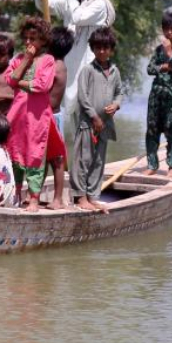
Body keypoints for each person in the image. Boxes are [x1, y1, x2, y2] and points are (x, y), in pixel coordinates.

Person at [34, 0, 115, 134]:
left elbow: (78, 17)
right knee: (68, 114)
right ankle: (67, 157)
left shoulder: (99, 4)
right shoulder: (71, 1)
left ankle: (89, 157)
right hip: (69, 65)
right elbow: (44, 4)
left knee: (88, 115)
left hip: (90, 66)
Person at [4, 17, 56, 212]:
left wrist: (21, 82)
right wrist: (25, 60)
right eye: (25, 38)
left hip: (37, 117)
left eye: (33, 38)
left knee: (35, 155)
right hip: (17, 116)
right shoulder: (19, 59)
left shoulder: (48, 60)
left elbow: (42, 85)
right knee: (14, 153)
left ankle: (34, 198)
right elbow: (10, 79)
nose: (28, 43)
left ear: (43, 40)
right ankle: (16, 194)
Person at [71, 27, 122, 213]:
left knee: (99, 161)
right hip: (88, 124)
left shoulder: (115, 71)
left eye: (106, 48)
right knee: (83, 159)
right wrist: (94, 116)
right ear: (92, 49)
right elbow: (83, 97)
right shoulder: (88, 70)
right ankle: (80, 197)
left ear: (111, 49)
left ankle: (93, 196)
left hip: (106, 125)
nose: (102, 51)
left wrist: (116, 105)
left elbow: (120, 93)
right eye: (98, 47)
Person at [145, 10, 172, 177]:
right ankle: (152, 164)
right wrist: (161, 67)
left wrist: (168, 55)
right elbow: (150, 69)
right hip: (156, 96)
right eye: (166, 28)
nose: (169, 32)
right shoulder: (159, 50)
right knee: (152, 131)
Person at [44, 26, 74, 209]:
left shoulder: (56, 67)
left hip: (52, 116)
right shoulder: (58, 64)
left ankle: (58, 199)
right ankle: (38, 195)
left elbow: (39, 86)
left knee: (57, 159)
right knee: (44, 158)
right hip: (47, 115)